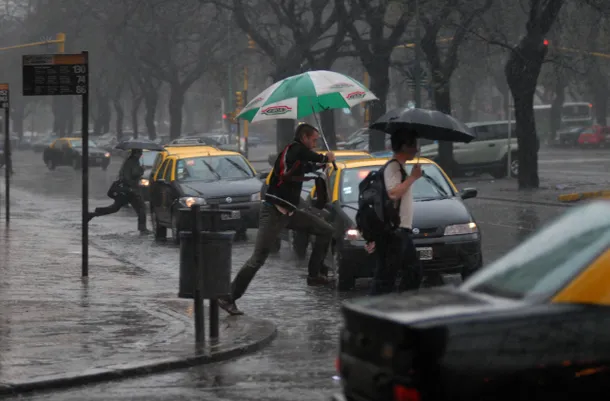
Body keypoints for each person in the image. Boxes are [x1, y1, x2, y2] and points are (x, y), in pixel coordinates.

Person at [218, 123, 336, 316]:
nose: (315, 144)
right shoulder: (293, 150)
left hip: (289, 212)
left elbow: (309, 165)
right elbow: (309, 156)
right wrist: (326, 157)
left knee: (326, 230)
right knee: (258, 258)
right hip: (273, 213)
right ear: (304, 138)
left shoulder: (297, 156)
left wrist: (323, 164)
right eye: (314, 140)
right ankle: (228, 297)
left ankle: (314, 275)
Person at [366, 132, 423, 295]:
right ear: (404, 146)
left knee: (412, 272)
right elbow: (393, 193)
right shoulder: (393, 166)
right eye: (413, 145)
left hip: (400, 231)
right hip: (393, 232)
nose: (416, 149)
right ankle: (373, 313)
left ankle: (399, 307)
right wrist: (412, 178)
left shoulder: (399, 166)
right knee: (386, 277)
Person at [88, 148, 149, 234]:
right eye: (140, 153)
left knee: (115, 208)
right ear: (135, 153)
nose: (141, 154)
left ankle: (93, 214)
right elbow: (132, 175)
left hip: (128, 190)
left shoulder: (132, 161)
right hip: (129, 190)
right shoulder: (132, 162)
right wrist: (141, 170)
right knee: (141, 208)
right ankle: (143, 229)